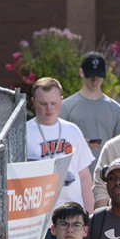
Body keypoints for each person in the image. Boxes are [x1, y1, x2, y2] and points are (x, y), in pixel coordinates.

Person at [26, 77, 96, 212]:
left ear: (61, 101)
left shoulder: (72, 130)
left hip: (73, 212)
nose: (49, 108)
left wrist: (90, 213)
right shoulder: (24, 132)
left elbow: (84, 176)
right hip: (39, 215)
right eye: (43, 103)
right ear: (33, 102)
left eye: (54, 103)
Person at [60, 52, 120, 166]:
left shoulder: (116, 109)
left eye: (98, 75)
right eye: (90, 75)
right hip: (75, 176)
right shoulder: (66, 107)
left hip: (107, 177)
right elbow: (56, 142)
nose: (94, 80)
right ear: (81, 73)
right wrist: (77, 145)